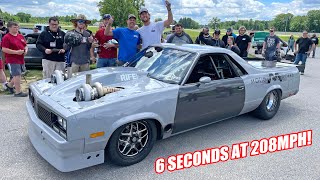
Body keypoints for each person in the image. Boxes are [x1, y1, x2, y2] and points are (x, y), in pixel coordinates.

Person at [1, 21, 28, 97]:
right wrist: (16, 52)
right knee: (17, 75)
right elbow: (4, 49)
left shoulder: (20, 36)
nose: (16, 28)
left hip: (21, 58)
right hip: (12, 58)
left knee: (20, 74)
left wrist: (25, 50)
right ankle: (18, 92)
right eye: (14, 27)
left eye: (17, 27)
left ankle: (9, 85)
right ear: (9, 28)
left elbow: (25, 45)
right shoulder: (6, 37)